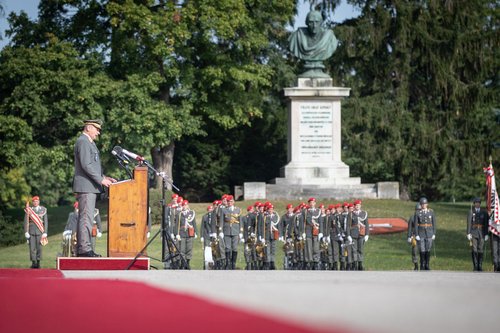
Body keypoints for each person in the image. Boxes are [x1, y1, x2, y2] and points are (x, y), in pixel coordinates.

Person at [73, 119, 116, 257]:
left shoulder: (88, 142)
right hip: (86, 186)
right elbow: (86, 165)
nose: (98, 133)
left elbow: (92, 165)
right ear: (88, 128)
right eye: (96, 129)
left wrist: (105, 177)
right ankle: (84, 249)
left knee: (87, 217)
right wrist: (101, 179)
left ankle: (85, 248)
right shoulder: (83, 141)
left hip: (90, 186)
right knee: (86, 218)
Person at [288, 10, 338, 77]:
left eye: (317, 22)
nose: (314, 26)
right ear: (306, 23)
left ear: (321, 23)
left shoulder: (330, 38)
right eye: (311, 22)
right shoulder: (297, 36)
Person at [23, 196, 48, 268]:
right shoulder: (29, 210)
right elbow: (26, 221)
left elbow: (45, 222)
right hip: (31, 231)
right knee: (32, 248)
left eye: (37, 201)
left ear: (39, 202)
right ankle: (33, 262)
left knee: (39, 248)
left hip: (40, 231)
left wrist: (45, 232)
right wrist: (26, 232)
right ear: (32, 202)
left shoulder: (43, 209)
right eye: (34, 201)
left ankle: (38, 262)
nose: (35, 202)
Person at [220, 195, 243, 270]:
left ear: (233, 202)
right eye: (228, 201)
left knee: (235, 248)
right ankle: (228, 263)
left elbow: (240, 221)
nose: (229, 203)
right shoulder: (224, 210)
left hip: (235, 231)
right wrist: (221, 231)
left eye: (231, 201)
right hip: (226, 231)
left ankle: (233, 263)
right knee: (227, 248)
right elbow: (221, 221)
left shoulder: (238, 210)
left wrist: (241, 231)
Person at [466, 197, 489, 271]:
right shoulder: (471, 212)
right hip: (473, 232)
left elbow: (486, 224)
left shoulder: (484, 212)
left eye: (478, 203)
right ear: (474, 204)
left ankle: (480, 265)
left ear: (480, 203)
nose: (477, 204)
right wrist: (468, 233)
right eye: (476, 203)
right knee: (474, 249)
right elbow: (469, 223)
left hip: (482, 233)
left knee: (481, 249)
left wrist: (486, 234)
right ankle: (475, 266)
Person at [173, 200, 197, 269]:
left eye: (186, 205)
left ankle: (188, 263)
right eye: (183, 205)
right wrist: (177, 234)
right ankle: (183, 263)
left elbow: (194, 223)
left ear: (188, 205)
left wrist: (195, 232)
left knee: (189, 248)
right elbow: (177, 225)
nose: (185, 206)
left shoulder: (191, 213)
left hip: (190, 233)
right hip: (182, 233)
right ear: (182, 206)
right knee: (182, 249)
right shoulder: (180, 214)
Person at [347, 199, 369, 271]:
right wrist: (348, 235)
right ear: (354, 206)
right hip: (353, 234)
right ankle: (355, 264)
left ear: (360, 206)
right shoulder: (350, 214)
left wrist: (367, 234)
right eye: (356, 205)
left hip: (361, 234)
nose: (357, 206)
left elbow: (367, 225)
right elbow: (348, 225)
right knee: (354, 250)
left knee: (361, 250)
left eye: (359, 205)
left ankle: (360, 264)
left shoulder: (364, 213)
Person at [415, 197, 436, 270]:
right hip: (421, 233)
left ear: (427, 204)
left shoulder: (431, 212)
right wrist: (417, 234)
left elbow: (434, 223)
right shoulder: (418, 213)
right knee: (422, 249)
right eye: (422, 204)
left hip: (429, 232)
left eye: (425, 204)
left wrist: (434, 233)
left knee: (428, 249)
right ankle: (422, 264)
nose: (424, 205)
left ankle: (427, 264)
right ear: (421, 205)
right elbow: (416, 225)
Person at [407, 203, 421, 271]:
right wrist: (409, 236)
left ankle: (423, 264)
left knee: (423, 251)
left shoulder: (423, 217)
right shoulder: (412, 218)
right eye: (417, 210)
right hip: (414, 237)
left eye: (419, 210)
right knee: (414, 251)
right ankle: (416, 265)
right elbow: (409, 228)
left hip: (422, 236)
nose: (418, 211)